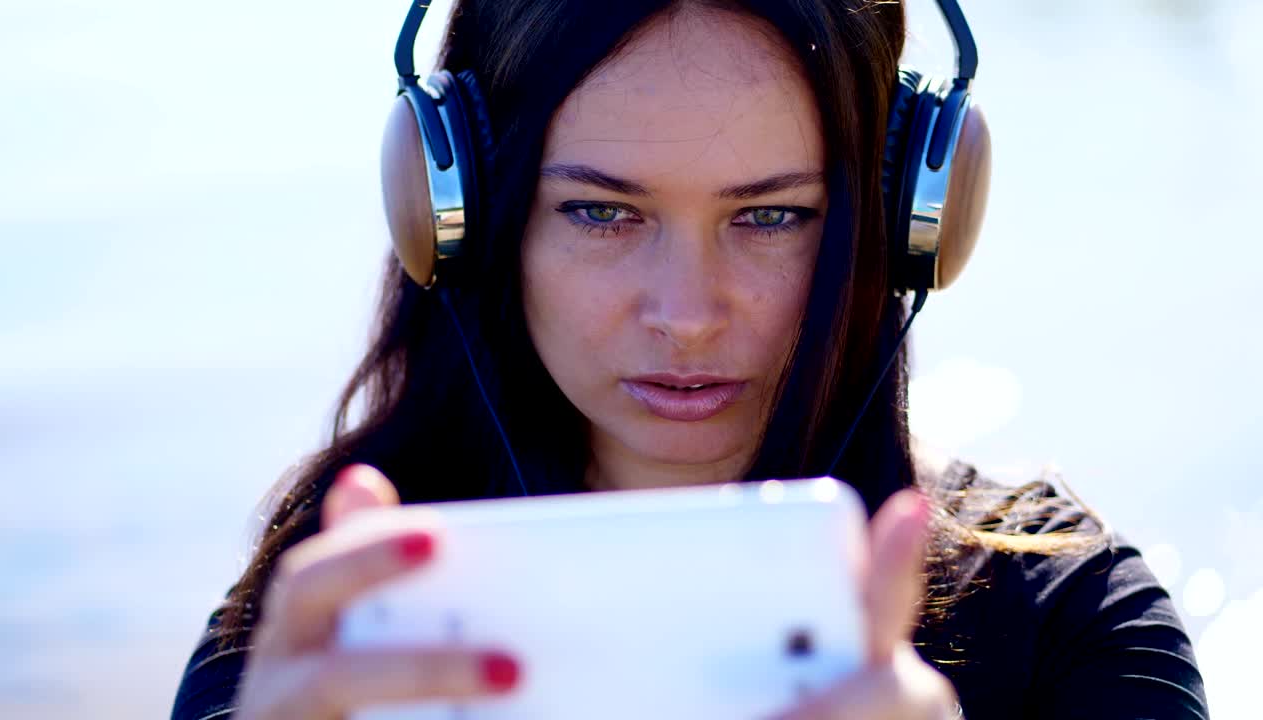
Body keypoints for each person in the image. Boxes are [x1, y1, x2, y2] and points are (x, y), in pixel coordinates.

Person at [170, 1, 1209, 718]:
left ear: (896, 222)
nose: (687, 315)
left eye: (770, 215)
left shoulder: (1072, 619)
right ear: (465, 221)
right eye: (599, 212)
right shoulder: (318, 643)